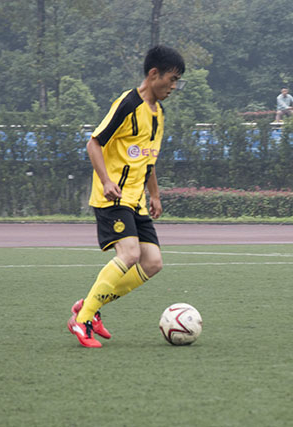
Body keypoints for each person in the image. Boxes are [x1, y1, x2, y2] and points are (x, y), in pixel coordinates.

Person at [67, 45, 185, 348]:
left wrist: (154, 195)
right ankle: (82, 321)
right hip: (113, 197)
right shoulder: (127, 104)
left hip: (136, 200)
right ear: (153, 74)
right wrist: (106, 181)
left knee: (153, 262)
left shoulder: (159, 114)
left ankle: (90, 305)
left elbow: (148, 159)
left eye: (177, 81)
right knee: (130, 254)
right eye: (172, 79)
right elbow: (94, 144)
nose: (174, 87)